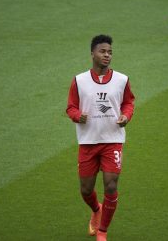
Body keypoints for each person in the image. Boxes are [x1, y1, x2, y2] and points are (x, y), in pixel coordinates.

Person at [66, 34, 135, 241]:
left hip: (112, 139)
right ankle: (96, 209)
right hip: (87, 141)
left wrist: (126, 116)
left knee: (111, 184)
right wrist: (78, 116)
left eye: (110, 52)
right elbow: (70, 107)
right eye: (103, 51)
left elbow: (129, 102)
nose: (107, 55)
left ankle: (103, 231)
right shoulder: (79, 81)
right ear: (92, 54)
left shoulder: (122, 80)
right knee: (86, 190)